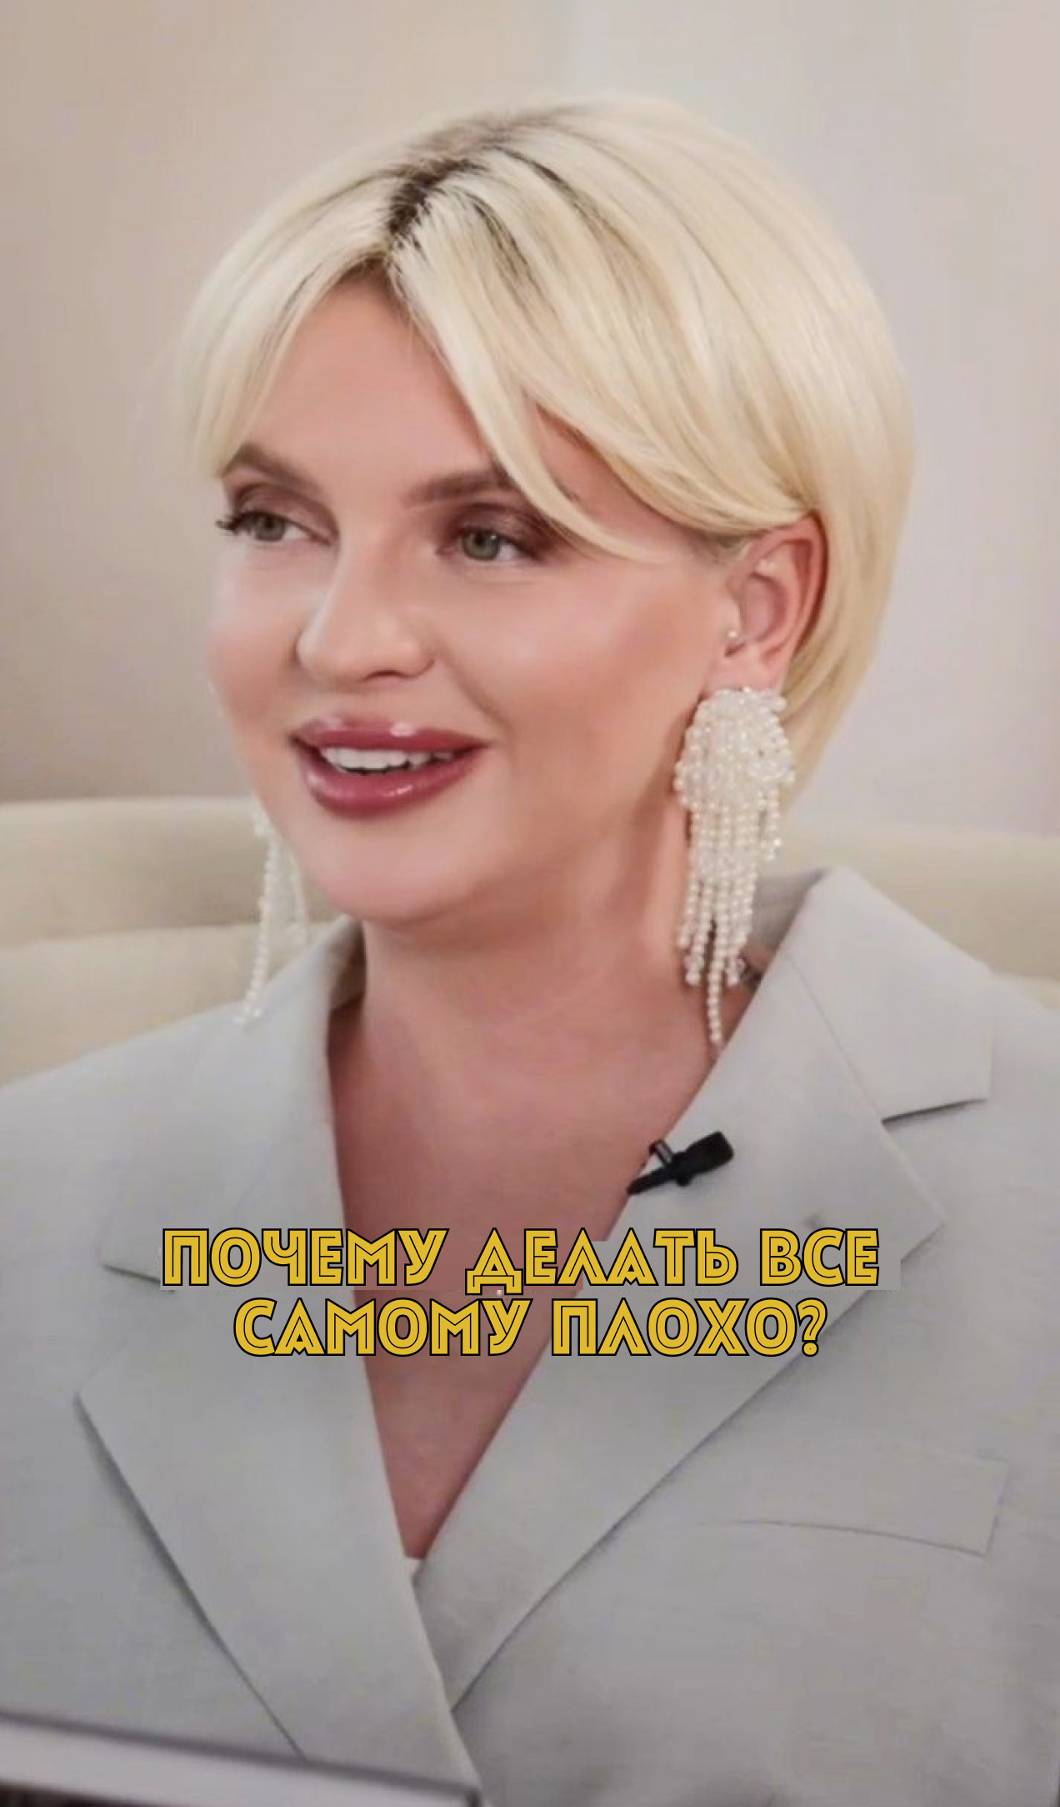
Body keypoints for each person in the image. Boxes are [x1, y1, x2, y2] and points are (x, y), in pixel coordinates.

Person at [1, 93, 1058, 1807]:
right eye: (274, 521)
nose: (342, 638)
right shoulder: (27, 1200)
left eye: (489, 537)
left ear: (758, 608)